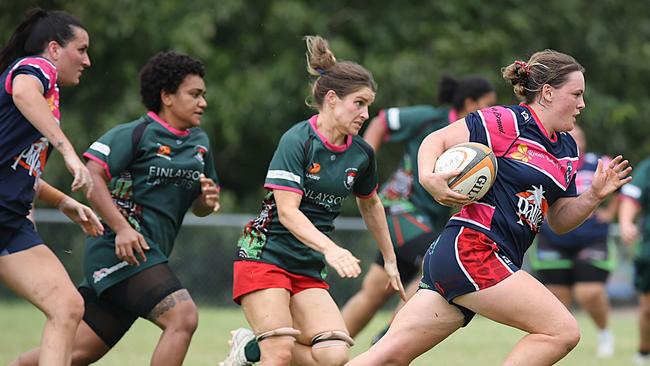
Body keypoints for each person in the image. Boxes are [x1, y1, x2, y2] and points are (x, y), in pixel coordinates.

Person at [347, 49, 632, 366]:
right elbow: (435, 141)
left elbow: (560, 220)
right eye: (576, 94)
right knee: (561, 331)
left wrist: (593, 195)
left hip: (476, 259)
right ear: (548, 93)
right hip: (474, 249)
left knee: (386, 358)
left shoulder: (566, 149)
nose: (582, 104)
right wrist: (429, 179)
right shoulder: (506, 120)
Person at [12, 51, 220, 366]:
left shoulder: (200, 144)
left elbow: (202, 207)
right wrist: (122, 228)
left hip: (148, 256)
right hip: (117, 250)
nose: (203, 102)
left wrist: (206, 202)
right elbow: (91, 173)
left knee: (79, 353)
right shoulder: (136, 133)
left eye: (203, 95)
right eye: (195, 94)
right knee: (184, 317)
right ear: (166, 96)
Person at [220, 35, 405, 366]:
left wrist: (390, 259)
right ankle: (261, 349)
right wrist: (332, 249)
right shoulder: (298, 141)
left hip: (306, 266)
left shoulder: (361, 153)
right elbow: (288, 213)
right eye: (359, 103)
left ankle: (250, 350)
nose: (366, 113)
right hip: (264, 255)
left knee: (334, 354)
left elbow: (371, 204)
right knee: (278, 353)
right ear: (332, 99)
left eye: (369, 105)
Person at [340, 74, 496, 342]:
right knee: (434, 263)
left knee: (375, 292)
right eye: (487, 104)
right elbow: (381, 122)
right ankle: (389, 338)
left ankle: (324, 351)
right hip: (398, 208)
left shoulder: (477, 142)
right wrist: (362, 162)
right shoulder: (430, 119)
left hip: (426, 222)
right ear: (470, 103)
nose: (492, 111)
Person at [0, 8, 95, 366]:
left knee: (67, 306)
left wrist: (62, 202)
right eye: (81, 49)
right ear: (54, 49)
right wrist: (68, 151)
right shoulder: (38, 69)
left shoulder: (49, 98)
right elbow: (24, 92)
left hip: (9, 225)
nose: (87, 60)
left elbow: (19, 168)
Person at [530, 124, 618, 358]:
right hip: (553, 238)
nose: (574, 140)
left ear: (585, 141)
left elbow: (623, 189)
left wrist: (610, 213)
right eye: (569, 136)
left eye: (578, 136)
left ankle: (604, 333)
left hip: (591, 237)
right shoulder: (545, 162)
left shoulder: (597, 163)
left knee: (589, 292)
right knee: (559, 299)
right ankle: (558, 344)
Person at [619, 156, 650, 364]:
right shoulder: (648, 167)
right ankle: (644, 351)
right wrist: (625, 222)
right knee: (647, 310)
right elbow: (632, 196)